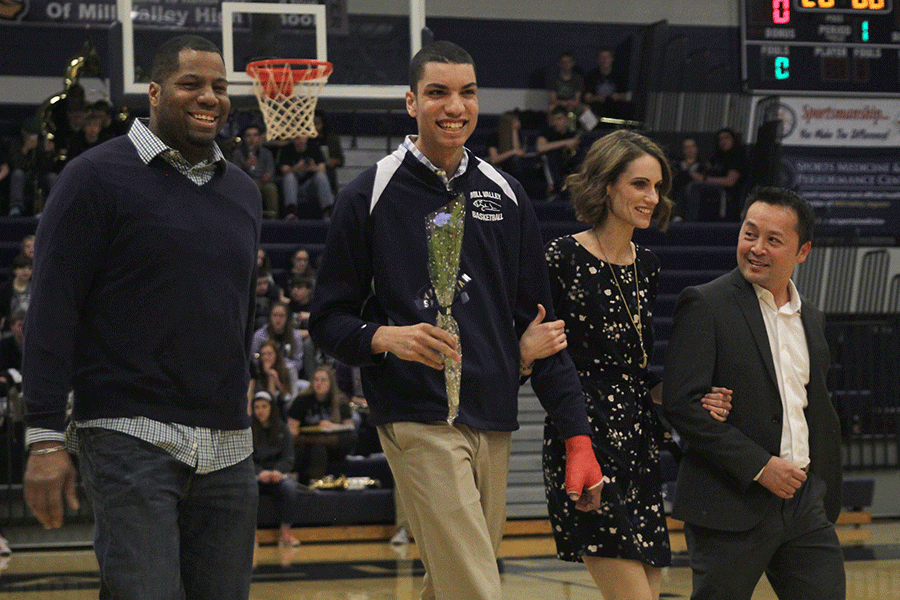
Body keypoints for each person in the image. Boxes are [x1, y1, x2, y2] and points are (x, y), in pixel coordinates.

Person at [308, 40, 604, 600]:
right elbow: (327, 320)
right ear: (410, 101)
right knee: (476, 588)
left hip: (493, 416)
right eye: (438, 92)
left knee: (452, 584)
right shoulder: (367, 194)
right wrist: (384, 337)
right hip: (416, 415)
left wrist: (577, 434)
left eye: (467, 93)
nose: (455, 106)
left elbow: (545, 329)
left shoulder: (507, 195)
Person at [21, 34, 262, 600]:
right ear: (154, 93)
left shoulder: (246, 193)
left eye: (220, 87)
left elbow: (239, 313)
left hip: (229, 447)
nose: (210, 97)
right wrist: (44, 440)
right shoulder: (93, 177)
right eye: (191, 84)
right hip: (130, 435)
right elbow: (52, 312)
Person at [542, 129, 732, 600]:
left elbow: (635, 378)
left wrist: (688, 392)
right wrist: (574, 440)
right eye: (639, 185)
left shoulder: (646, 264)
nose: (652, 197)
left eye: (657, 187)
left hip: (639, 447)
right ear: (607, 186)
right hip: (585, 439)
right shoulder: (561, 256)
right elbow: (544, 361)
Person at [662, 186, 845, 600]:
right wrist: (761, 466)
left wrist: (819, 488)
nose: (756, 248)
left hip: (803, 504)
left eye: (773, 240)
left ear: (803, 252)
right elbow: (682, 405)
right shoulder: (705, 303)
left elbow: (813, 409)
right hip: (730, 504)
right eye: (750, 234)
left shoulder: (811, 318)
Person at [286, 364, 356, 483]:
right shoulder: (302, 400)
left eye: (323, 380)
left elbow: (349, 426)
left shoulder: (340, 400)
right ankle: (316, 485)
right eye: (316, 379)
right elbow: (291, 430)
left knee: (350, 437)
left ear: (331, 382)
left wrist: (333, 426)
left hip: (332, 445)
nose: (319, 383)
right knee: (318, 448)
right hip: (307, 444)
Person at [250, 390, 301, 547]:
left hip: (277, 475)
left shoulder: (282, 428)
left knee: (290, 489)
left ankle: (285, 532)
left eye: (264, 406)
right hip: (256, 475)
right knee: (246, 489)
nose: (260, 411)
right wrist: (259, 472)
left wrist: (278, 471)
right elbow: (245, 459)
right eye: (257, 407)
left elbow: (289, 458)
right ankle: (252, 534)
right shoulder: (248, 430)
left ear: (271, 408)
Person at [683, 127, 746, 222]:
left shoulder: (737, 157)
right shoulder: (717, 157)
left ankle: (690, 222)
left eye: (726, 138)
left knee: (694, 186)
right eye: (720, 139)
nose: (723, 141)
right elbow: (705, 169)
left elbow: (730, 182)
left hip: (725, 194)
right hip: (710, 189)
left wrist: (703, 179)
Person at [277, 135, 335, 219]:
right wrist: (297, 167)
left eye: (303, 137)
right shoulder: (287, 149)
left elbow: (323, 168)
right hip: (294, 186)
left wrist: (313, 168)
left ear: (307, 137)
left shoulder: (314, 147)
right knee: (289, 177)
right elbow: (284, 170)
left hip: (311, 186)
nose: (301, 140)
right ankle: (291, 212)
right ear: (293, 138)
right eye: (297, 138)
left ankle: (328, 211)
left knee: (321, 176)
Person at [231, 123, 279, 218]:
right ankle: (250, 217)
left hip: (263, 181)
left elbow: (271, 169)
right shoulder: (237, 154)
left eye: (255, 135)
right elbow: (234, 174)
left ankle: (273, 217)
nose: (252, 138)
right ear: (244, 138)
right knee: (253, 185)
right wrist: (245, 166)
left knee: (271, 188)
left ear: (260, 138)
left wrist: (268, 174)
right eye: (249, 136)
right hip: (246, 182)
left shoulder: (266, 153)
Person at [251, 301, 306, 378]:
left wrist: (280, 366)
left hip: (287, 375)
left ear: (287, 318)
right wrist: (263, 361)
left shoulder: (295, 336)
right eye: (275, 315)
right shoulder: (259, 335)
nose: (278, 319)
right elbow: (254, 356)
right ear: (270, 316)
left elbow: (298, 362)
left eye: (281, 316)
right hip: (263, 374)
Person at [537, 106, 580, 198]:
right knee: (550, 156)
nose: (556, 122)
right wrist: (565, 143)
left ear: (566, 119)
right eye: (554, 119)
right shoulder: (547, 131)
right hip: (550, 165)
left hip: (566, 163)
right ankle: (554, 189)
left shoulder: (572, 133)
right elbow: (540, 148)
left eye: (559, 119)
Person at [249, 339, 301, 416]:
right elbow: (268, 399)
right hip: (265, 410)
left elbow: (291, 397)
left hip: (285, 406)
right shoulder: (258, 373)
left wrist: (276, 380)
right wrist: (269, 376)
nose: (266, 357)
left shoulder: (289, 370)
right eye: (263, 354)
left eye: (269, 354)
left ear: (276, 355)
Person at [583, 48, 632, 122]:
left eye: (607, 57)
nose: (605, 60)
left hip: (615, 107)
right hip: (597, 107)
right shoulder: (591, 76)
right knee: (586, 110)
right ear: (598, 60)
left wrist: (618, 96)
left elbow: (628, 95)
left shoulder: (620, 75)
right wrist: (596, 98)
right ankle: (591, 133)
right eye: (602, 57)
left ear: (612, 59)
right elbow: (587, 97)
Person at [311, 110, 345, 195]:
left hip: (327, 169)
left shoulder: (331, 138)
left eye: (317, 124)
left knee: (328, 173)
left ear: (323, 124)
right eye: (313, 124)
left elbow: (341, 160)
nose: (315, 127)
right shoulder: (307, 140)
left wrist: (334, 161)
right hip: (310, 170)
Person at [670, 136, 703, 219]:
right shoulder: (676, 165)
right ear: (683, 150)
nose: (690, 150)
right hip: (677, 192)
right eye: (687, 147)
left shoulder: (703, 166)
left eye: (692, 146)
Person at [0, 254, 31, 332]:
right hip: (9, 328)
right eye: (22, 268)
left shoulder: (35, 288)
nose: (26, 271)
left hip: (30, 328)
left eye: (29, 268)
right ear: (15, 270)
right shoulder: (4, 288)